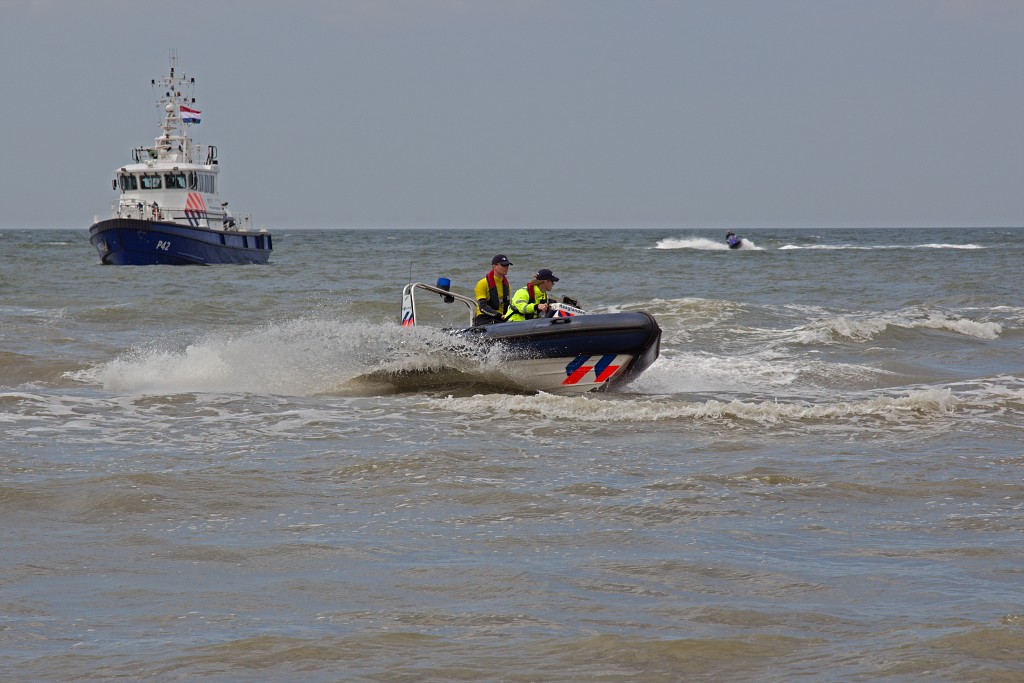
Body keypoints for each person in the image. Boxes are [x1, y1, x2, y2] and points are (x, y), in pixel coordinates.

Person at [473, 254, 513, 326]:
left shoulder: (508, 286)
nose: (506, 267)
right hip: (484, 318)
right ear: (494, 266)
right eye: (503, 265)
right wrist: (499, 315)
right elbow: (482, 306)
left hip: (500, 318)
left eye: (507, 265)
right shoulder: (482, 283)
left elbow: (507, 306)